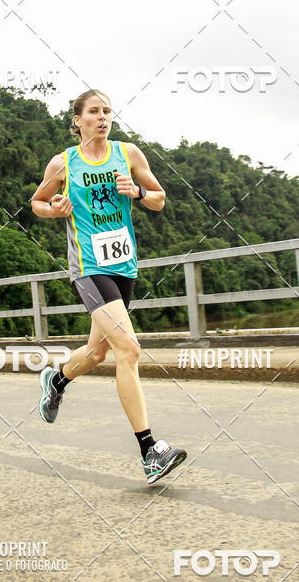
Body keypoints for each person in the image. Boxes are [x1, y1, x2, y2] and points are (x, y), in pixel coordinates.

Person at [31, 89, 187, 485]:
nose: (103, 117)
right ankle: (150, 451)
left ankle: (56, 380)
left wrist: (137, 192)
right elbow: (37, 202)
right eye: (94, 111)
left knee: (98, 352)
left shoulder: (128, 154)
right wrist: (54, 210)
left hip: (124, 266)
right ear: (78, 120)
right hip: (88, 267)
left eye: (107, 111)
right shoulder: (63, 163)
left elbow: (159, 199)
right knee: (128, 349)